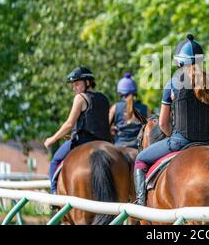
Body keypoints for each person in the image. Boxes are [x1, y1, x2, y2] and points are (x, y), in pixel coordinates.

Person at [133, 34, 209, 206]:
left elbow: (163, 123)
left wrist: (176, 136)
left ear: (179, 62)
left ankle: (140, 204)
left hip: (180, 142)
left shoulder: (172, 83)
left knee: (140, 160)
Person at [44, 66, 111, 194]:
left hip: (83, 142)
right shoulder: (103, 98)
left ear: (87, 82)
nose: (74, 88)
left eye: (77, 84)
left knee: (55, 161)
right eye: (73, 85)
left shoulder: (80, 98)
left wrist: (52, 139)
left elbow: (69, 124)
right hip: (105, 143)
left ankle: (53, 195)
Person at [109, 72, 149, 148]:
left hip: (119, 146)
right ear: (135, 92)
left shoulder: (115, 107)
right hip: (138, 147)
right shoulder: (145, 108)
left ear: (120, 93)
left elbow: (106, 126)